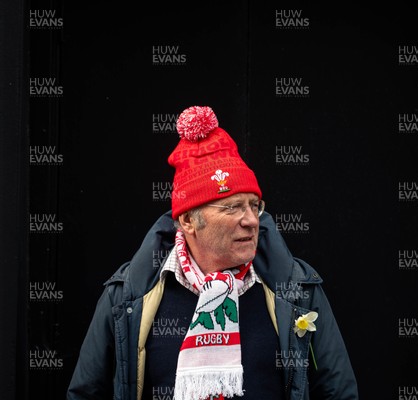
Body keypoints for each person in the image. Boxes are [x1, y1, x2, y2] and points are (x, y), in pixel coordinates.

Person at [66, 105, 359, 400]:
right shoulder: (128, 295)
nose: (251, 220)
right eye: (232, 207)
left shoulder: (297, 289)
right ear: (188, 220)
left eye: (253, 205)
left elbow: (338, 393)